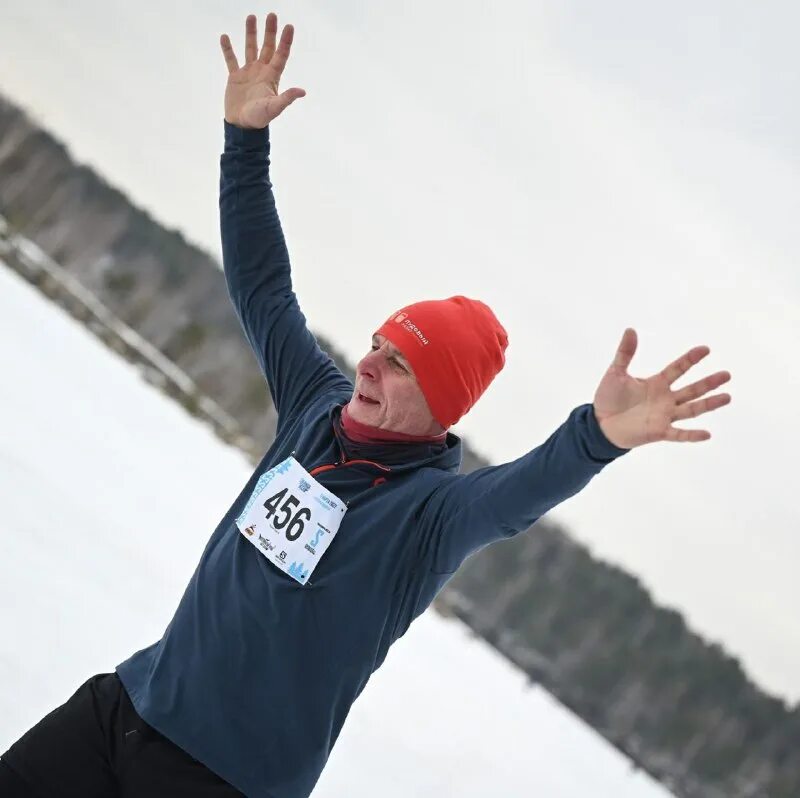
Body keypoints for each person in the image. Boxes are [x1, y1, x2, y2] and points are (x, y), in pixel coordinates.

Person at [0, 11, 733, 798]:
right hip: (126, 708)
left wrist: (597, 438)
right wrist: (244, 144)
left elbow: (517, 496)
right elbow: (262, 286)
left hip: (217, 781)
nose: (369, 365)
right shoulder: (315, 407)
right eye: (378, 345)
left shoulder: (430, 515)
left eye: (400, 364)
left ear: (442, 407)